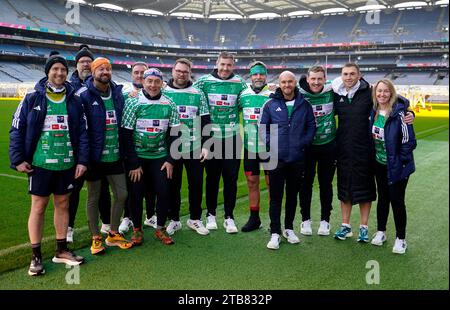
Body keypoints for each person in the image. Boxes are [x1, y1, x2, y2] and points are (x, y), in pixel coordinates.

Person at [9, 51, 88, 276]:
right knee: (39, 206)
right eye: (55, 69)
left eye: (63, 69)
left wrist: (82, 160)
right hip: (40, 163)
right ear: (48, 72)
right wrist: (18, 159)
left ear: (67, 73)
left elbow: (83, 132)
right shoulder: (33, 96)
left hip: (67, 162)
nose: (59, 72)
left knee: (63, 204)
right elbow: (17, 128)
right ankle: (36, 256)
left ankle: (61, 250)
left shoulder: (74, 99)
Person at [331, 63, 414, 242]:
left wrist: (409, 111)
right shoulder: (336, 94)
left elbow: (394, 98)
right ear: (341, 75)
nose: (348, 77)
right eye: (345, 74)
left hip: (366, 152)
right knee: (344, 189)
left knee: (365, 190)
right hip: (344, 150)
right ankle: (345, 225)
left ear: (359, 75)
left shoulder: (370, 92)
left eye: (352, 74)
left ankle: (364, 227)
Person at [75, 57, 133, 255]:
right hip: (95, 157)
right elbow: (80, 128)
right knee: (94, 197)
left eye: (108, 68)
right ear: (93, 72)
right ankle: (95, 237)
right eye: (101, 69)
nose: (105, 72)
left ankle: (113, 233)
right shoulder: (83, 95)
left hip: (115, 155)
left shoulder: (118, 93)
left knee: (122, 194)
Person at [122, 68, 180, 245]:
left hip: (160, 157)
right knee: (136, 194)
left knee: (163, 192)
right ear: (144, 82)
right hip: (138, 157)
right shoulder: (133, 102)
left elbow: (176, 134)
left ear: (162, 83)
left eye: (157, 81)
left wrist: (171, 160)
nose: (153, 85)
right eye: (149, 81)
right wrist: (133, 164)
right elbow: (125, 135)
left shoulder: (170, 104)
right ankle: (137, 230)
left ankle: (160, 229)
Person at [259, 71, 316, 250]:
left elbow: (311, 126)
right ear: (279, 83)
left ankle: (289, 228)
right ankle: (275, 232)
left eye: (290, 81)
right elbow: (262, 129)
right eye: (283, 82)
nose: (286, 85)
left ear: (294, 83)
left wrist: (303, 143)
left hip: (297, 158)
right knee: (275, 197)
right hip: (276, 158)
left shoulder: (304, 104)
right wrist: (272, 144)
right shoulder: (270, 104)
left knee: (292, 196)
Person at [193, 52, 247, 233]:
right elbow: (188, 95)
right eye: (222, 64)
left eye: (228, 65)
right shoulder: (203, 82)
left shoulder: (240, 83)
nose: (225, 68)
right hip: (210, 137)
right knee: (212, 178)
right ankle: (211, 214)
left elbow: (247, 101)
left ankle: (229, 216)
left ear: (233, 65)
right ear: (217, 63)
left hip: (232, 137)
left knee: (231, 178)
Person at [67, 44, 111, 243]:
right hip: (77, 148)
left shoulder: (103, 83)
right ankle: (68, 227)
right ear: (76, 65)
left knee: (101, 189)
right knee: (73, 190)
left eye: (88, 61)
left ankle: (107, 223)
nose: (85, 64)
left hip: (99, 148)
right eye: (82, 61)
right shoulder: (70, 86)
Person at [163, 59, 210, 236]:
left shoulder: (198, 93)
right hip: (171, 148)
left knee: (196, 184)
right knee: (172, 185)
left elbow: (206, 121)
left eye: (185, 71)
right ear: (173, 71)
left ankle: (195, 219)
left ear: (189, 73)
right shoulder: (163, 91)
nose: (181, 74)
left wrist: (206, 145)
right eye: (178, 70)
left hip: (194, 146)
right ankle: (174, 220)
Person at [369, 79, 416, 254]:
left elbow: (409, 143)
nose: (382, 94)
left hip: (398, 166)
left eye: (386, 91)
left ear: (392, 93)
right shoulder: (373, 111)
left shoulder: (401, 114)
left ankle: (400, 239)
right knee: (382, 199)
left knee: (397, 201)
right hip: (379, 164)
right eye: (379, 91)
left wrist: (399, 162)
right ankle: (381, 232)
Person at [119, 62, 158, 233]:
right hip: (130, 148)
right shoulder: (123, 93)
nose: (140, 75)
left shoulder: (155, 92)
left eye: (143, 72)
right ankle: (127, 217)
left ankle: (150, 216)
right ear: (132, 74)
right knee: (131, 186)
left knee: (150, 185)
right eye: (137, 72)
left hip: (150, 148)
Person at [298, 66, 336, 236]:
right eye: (313, 79)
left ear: (325, 79)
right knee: (305, 184)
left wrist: (406, 109)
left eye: (319, 78)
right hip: (307, 147)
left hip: (328, 145)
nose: (316, 82)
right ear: (307, 79)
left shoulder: (333, 91)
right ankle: (305, 220)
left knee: (325, 184)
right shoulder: (300, 93)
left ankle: (325, 220)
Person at [238, 61, 272, 232]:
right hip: (250, 147)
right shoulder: (243, 95)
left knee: (271, 182)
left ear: (265, 75)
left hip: (270, 148)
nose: (258, 77)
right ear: (250, 76)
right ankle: (254, 218)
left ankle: (275, 219)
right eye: (255, 74)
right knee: (252, 182)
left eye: (261, 74)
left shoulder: (274, 95)